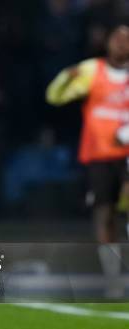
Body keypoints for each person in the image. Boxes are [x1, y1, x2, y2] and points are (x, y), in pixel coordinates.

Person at [46, 25, 129, 297]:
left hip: (126, 154)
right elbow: (55, 97)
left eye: (127, 39)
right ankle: (113, 279)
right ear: (108, 42)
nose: (121, 43)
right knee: (105, 214)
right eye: (117, 37)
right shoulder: (93, 70)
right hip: (99, 155)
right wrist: (64, 80)